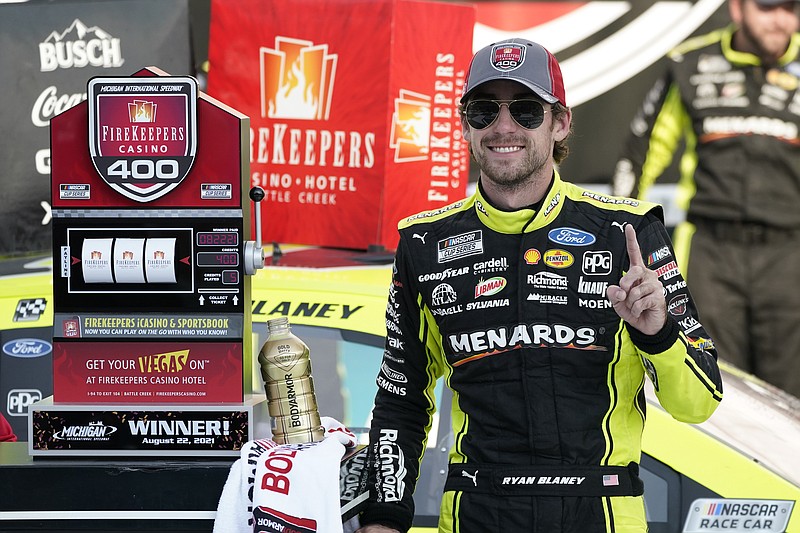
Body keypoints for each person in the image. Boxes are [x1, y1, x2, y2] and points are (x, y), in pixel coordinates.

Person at [357, 38, 723, 533]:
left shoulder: (627, 233)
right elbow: (402, 401)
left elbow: (698, 404)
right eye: (485, 110)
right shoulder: (425, 243)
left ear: (560, 122)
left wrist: (656, 335)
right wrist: (384, 518)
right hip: (477, 511)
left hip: (600, 508)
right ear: (465, 123)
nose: (503, 127)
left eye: (526, 110)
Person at [611, 0, 800, 398]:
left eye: (792, 8)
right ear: (737, 8)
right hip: (711, 253)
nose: (781, 20)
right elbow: (641, 156)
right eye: (768, 7)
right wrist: (625, 244)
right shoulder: (690, 63)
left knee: (791, 394)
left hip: (790, 254)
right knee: (719, 385)